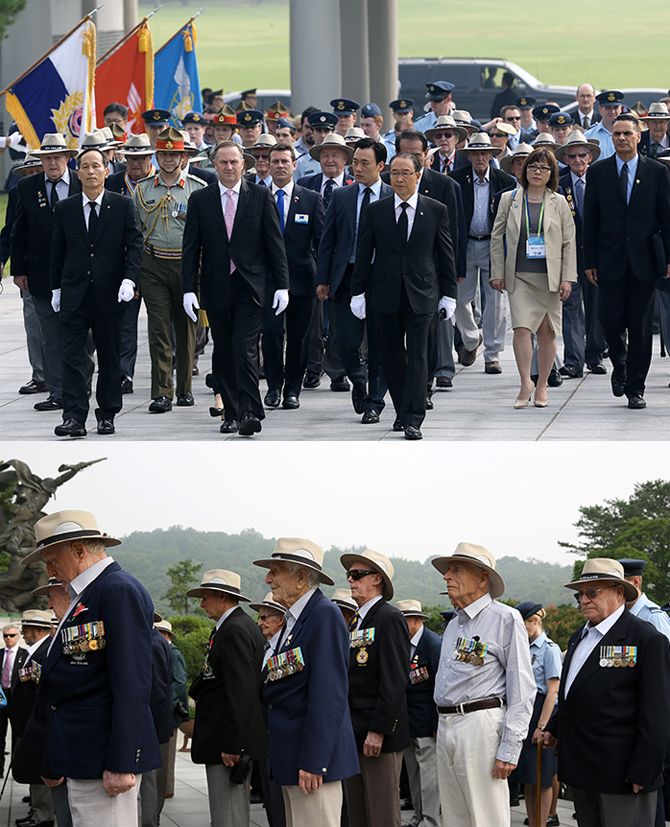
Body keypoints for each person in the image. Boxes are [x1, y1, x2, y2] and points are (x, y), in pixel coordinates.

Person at [21, 509, 161, 827]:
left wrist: (123, 760)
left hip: (103, 759)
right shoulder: (87, 596)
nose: (49, 571)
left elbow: (132, 682)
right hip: (84, 754)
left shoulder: (116, 589)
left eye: (53, 560)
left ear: (80, 550)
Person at [543, 558, 670, 827]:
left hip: (622, 773)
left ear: (619, 592)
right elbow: (572, 692)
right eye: (580, 595)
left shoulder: (646, 639)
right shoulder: (579, 636)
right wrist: (554, 726)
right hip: (582, 766)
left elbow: (657, 712)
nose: (584, 600)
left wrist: (644, 769)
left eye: (593, 593)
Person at [181, 140, 290, 436]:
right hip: (216, 285)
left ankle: (250, 411)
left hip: (250, 285)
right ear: (214, 165)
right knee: (224, 350)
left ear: (244, 165)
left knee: (244, 347)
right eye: (223, 162)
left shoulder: (260, 196)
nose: (229, 167)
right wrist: (188, 289)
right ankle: (230, 411)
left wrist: (282, 285)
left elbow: (274, 244)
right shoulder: (200, 199)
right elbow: (191, 248)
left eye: (234, 162)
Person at [253, 538, 359, 827]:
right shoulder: (293, 621)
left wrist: (314, 761)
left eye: (275, 571)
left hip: (311, 763)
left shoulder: (323, 615)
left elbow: (329, 695)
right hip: (291, 756)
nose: (268, 578)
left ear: (301, 577)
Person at [350, 152, 457, 439]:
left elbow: (445, 256)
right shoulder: (376, 210)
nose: (398, 178)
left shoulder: (435, 210)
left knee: (419, 356)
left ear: (418, 175)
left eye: (405, 173)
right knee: (391, 355)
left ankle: (413, 418)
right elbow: (363, 254)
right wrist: (357, 292)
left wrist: (449, 295)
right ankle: (401, 409)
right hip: (385, 293)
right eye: (394, 173)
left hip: (422, 293)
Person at [431, 543, 535, 827]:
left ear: (481, 578)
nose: (446, 576)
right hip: (448, 724)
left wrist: (509, 749)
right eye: (448, 570)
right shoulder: (453, 624)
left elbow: (522, 688)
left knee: (485, 816)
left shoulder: (504, 618)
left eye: (456, 569)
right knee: (454, 816)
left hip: (480, 724)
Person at [50, 135, 143, 437]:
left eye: (96, 166)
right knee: (73, 358)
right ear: (77, 173)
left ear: (106, 170)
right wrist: (56, 289)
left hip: (109, 294)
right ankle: (74, 416)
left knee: (110, 356)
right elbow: (57, 252)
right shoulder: (65, 209)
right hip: (75, 295)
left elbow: (135, 245)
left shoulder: (123, 206)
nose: (91, 171)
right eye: (85, 167)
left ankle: (107, 413)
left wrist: (130, 279)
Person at [584, 113, 670, 408]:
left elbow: (666, 217)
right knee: (610, 320)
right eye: (616, 134)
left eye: (627, 134)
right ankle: (619, 363)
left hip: (645, 261)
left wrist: (668, 258)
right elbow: (591, 220)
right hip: (609, 260)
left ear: (638, 137)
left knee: (641, 325)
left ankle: (636, 387)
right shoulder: (598, 172)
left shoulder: (657, 172)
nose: (621, 138)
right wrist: (589, 260)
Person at [490, 147, 576, 408]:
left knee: (547, 333)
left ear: (552, 174)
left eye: (544, 168)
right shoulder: (510, 199)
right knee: (522, 329)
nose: (537, 172)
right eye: (532, 167)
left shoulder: (559, 201)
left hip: (549, 277)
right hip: (520, 276)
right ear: (524, 170)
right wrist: (497, 272)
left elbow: (568, 241)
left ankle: (542, 386)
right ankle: (525, 381)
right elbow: (497, 237)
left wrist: (567, 278)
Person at [316, 137, 392, 423]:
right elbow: (328, 241)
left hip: (380, 279)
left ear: (380, 166)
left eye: (364, 163)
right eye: (355, 162)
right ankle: (359, 382)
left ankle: (375, 401)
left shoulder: (391, 195)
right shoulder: (341, 196)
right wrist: (322, 278)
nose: (357, 168)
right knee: (345, 341)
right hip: (346, 278)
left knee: (380, 343)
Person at [186, 569, 267, 827]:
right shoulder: (233, 626)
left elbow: (240, 691)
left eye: (206, 597)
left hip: (226, 742)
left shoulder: (234, 629)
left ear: (222, 596)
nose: (201, 603)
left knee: (227, 817)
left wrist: (233, 744)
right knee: (230, 814)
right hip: (224, 739)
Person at [10, 133, 85, 413]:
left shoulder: (82, 182)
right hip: (41, 274)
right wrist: (18, 270)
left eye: (57, 157)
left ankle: (81, 382)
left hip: (79, 273)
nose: (52, 163)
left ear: (68, 158)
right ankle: (58, 392)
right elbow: (18, 231)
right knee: (51, 338)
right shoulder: (28, 186)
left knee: (84, 335)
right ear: (40, 161)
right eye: (47, 158)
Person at [134, 127, 206, 414]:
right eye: (163, 153)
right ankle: (162, 391)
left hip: (186, 265)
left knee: (187, 329)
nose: (167, 159)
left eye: (174, 154)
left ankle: (185, 388)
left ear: (183, 157)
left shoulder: (197, 189)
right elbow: (135, 232)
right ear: (157, 155)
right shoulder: (143, 189)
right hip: (152, 265)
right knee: (159, 329)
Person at [340, 548, 410, 827]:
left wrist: (379, 730)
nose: (350, 580)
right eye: (349, 575)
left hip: (377, 733)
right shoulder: (358, 620)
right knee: (358, 812)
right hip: (355, 730)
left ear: (377, 579)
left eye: (357, 575)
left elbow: (394, 680)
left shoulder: (389, 617)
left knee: (381, 812)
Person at [261, 142, 324, 410]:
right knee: (272, 334)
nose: (279, 166)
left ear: (294, 166)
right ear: (268, 165)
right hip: (268, 280)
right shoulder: (257, 196)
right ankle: (274, 386)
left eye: (285, 161)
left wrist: (325, 278)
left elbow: (322, 243)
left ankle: (293, 390)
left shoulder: (311, 199)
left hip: (303, 280)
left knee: (300, 337)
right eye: (274, 161)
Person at [449, 132, 515, 372]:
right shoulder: (455, 179)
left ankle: (492, 354)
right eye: (475, 153)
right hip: (465, 243)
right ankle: (470, 339)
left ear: (490, 154)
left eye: (483, 153)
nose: (479, 157)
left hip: (493, 244)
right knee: (460, 298)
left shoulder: (504, 180)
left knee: (496, 300)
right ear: (468, 156)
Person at [106, 133, 156, 395]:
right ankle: (124, 373)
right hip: (123, 264)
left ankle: (166, 376)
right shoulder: (112, 182)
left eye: (142, 158)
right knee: (124, 323)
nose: (136, 163)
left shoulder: (161, 183)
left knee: (162, 324)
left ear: (151, 158)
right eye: (131, 158)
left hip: (158, 263)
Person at [554, 132, 607, 377]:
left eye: (582, 155)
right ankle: (573, 360)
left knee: (597, 307)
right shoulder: (558, 183)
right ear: (565, 158)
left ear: (590, 156)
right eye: (572, 156)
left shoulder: (601, 179)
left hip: (597, 255)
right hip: (568, 255)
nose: (577, 160)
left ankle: (595, 355)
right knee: (571, 307)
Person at [509, 602, 561, 827]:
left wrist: (542, 726)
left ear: (535, 621)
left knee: (543, 776)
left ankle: (543, 820)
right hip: (525, 711)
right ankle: (533, 822)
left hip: (542, 712)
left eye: (524, 625)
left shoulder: (549, 649)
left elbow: (553, 691)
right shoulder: (523, 648)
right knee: (529, 777)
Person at [396, 600, 442, 827]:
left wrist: (436, 724)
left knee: (429, 777)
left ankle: (431, 820)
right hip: (407, 723)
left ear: (416, 620)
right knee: (414, 775)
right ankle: (417, 817)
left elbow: (439, 687)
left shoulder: (432, 644)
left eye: (403, 621)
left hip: (427, 724)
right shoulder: (400, 644)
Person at [10, 610, 56, 827]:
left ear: (38, 630)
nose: (22, 633)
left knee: (40, 771)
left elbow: (42, 691)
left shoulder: (46, 651)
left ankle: (43, 815)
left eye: (26, 629)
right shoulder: (34, 651)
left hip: (37, 722)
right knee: (32, 768)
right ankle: (36, 809)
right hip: (27, 722)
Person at [248, 592, 286, 827]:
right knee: (271, 801)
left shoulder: (285, 648)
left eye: (264, 617)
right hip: (265, 735)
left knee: (280, 802)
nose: (259, 622)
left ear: (280, 618)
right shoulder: (268, 648)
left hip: (278, 734)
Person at [154, 620, 189, 804]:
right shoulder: (162, 649)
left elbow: (179, 682)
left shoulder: (173, 653)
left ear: (165, 634)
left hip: (169, 711)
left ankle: (167, 789)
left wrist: (166, 701)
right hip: (164, 709)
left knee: (167, 756)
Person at [618, 559, 670, 638]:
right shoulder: (619, 614)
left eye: (621, 586)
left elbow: (664, 649)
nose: (616, 591)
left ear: (636, 582)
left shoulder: (654, 617)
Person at [0, 623, 27, 776]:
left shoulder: (24, 654)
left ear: (17, 637)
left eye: (11, 635)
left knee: (17, 736)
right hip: (0, 698)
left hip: (17, 699)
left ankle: (17, 769)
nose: (8, 638)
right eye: (5, 636)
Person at [584, 91, 625, 159]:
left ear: (620, 109)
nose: (612, 111)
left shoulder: (629, 133)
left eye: (615, 107)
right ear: (600, 109)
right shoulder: (589, 135)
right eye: (608, 108)